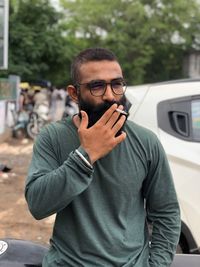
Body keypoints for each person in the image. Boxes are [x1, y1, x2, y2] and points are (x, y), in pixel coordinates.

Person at [25, 47, 181, 267]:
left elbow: (166, 213)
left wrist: (156, 264)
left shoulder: (146, 141)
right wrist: (85, 155)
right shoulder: (53, 137)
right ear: (74, 93)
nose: (110, 95)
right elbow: (38, 205)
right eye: (97, 86)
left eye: (116, 84)